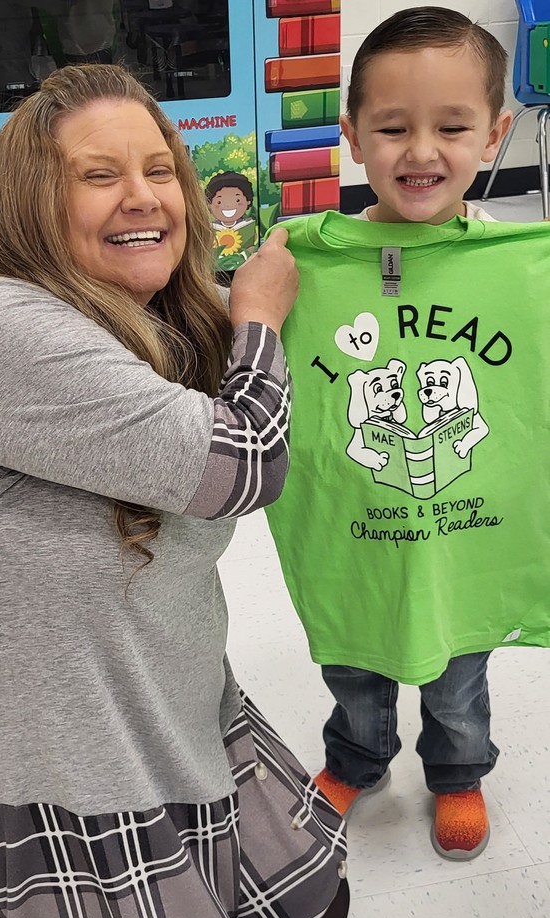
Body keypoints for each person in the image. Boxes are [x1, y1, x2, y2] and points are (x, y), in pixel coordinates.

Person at [0, 64, 348, 918]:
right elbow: (239, 465)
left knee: (311, 916)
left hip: (145, 693)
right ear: (34, 204)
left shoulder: (151, 311)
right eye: (98, 176)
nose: (145, 198)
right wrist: (259, 319)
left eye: (159, 169)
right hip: (21, 754)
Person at [273, 8, 514, 860]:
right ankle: (358, 757)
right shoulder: (306, 261)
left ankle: (457, 773)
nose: (420, 152)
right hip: (355, 518)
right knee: (355, 655)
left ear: (494, 135)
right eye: (391, 127)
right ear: (350, 135)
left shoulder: (516, 265)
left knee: (457, 666)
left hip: (462, 529)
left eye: (451, 127)